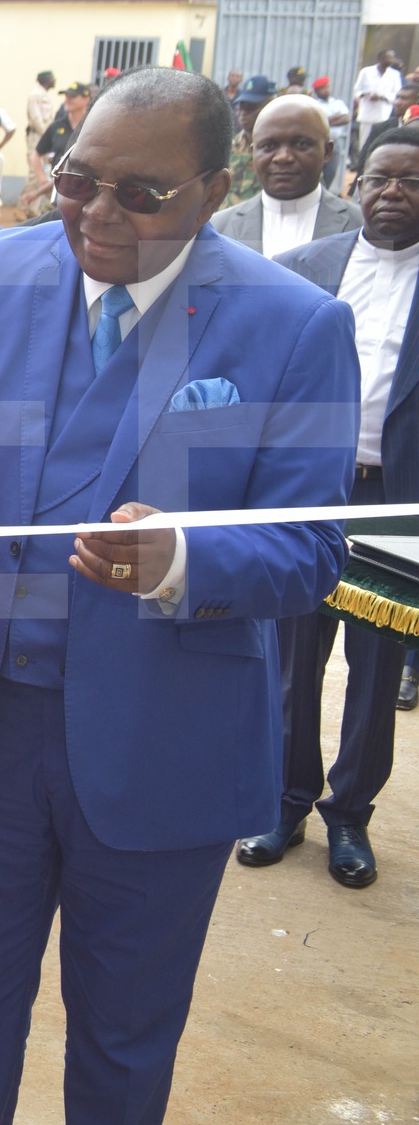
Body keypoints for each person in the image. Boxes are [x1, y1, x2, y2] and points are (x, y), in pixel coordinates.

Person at [0, 67, 357, 1124]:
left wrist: (183, 561)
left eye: (141, 195)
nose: (96, 214)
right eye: (76, 180)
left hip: (161, 740)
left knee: (123, 1042)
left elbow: (311, 547)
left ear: (213, 188)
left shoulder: (291, 323)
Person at [240, 123, 419, 888]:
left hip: (393, 501)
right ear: (355, 182)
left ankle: (350, 814)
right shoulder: (306, 268)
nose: (391, 193)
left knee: (375, 667)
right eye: (379, 178)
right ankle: (285, 800)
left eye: (410, 182)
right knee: (291, 657)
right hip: (307, 486)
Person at [210, 95, 362, 255]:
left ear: (327, 151)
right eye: (269, 146)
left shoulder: (360, 226)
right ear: (254, 152)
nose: (283, 157)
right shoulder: (217, 229)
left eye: (301, 144)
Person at [32, 82, 90, 204]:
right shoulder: (56, 126)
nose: (67, 100)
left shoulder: (92, 127)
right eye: (66, 96)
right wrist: (42, 180)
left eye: (73, 97)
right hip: (57, 191)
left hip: (83, 194)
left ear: (86, 99)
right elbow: (36, 154)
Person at [229, 74, 279, 202]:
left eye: (251, 107)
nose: (243, 113)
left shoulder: (283, 151)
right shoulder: (230, 146)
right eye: (241, 106)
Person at [352, 47, 405, 169]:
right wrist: (366, 95)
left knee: (380, 143)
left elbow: (397, 94)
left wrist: (381, 97)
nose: (391, 60)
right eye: (389, 57)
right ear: (381, 58)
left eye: (392, 57)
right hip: (367, 114)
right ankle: (362, 169)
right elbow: (357, 90)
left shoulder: (394, 75)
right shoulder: (366, 72)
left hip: (383, 115)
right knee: (364, 144)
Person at [20, 71, 60, 212]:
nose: (55, 80)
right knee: (34, 173)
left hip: (43, 137)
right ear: (47, 79)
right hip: (37, 137)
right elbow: (36, 118)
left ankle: (33, 208)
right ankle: (23, 208)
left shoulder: (44, 95)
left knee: (42, 173)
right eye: (52, 77)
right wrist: (47, 136)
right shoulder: (35, 95)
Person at [312, 76, 353, 190]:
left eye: (327, 87)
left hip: (335, 142)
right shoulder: (314, 104)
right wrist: (334, 118)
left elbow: (346, 118)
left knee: (331, 172)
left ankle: (326, 191)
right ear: (317, 91)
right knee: (315, 171)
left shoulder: (337, 103)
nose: (325, 90)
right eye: (322, 88)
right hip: (319, 142)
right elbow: (315, 121)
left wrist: (326, 120)